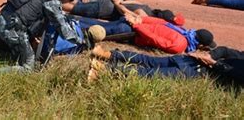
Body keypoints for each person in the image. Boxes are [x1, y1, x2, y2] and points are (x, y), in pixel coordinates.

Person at [0, 0, 85, 84]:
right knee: (28, 67)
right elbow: (64, 31)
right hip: (12, 29)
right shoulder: (52, 2)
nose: (69, 2)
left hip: (3, 19)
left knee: (18, 52)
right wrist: (81, 41)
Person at [90, 45, 244, 87]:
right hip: (191, 61)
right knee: (147, 59)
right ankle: (108, 55)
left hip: (197, 73)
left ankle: (103, 70)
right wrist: (210, 56)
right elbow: (225, 49)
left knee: (147, 73)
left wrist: (214, 63)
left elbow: (235, 74)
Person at [123, 13, 216, 54]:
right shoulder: (180, 45)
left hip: (136, 27)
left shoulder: (181, 30)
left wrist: (140, 20)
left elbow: (161, 22)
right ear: (199, 44)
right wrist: (137, 24)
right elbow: (154, 38)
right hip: (134, 32)